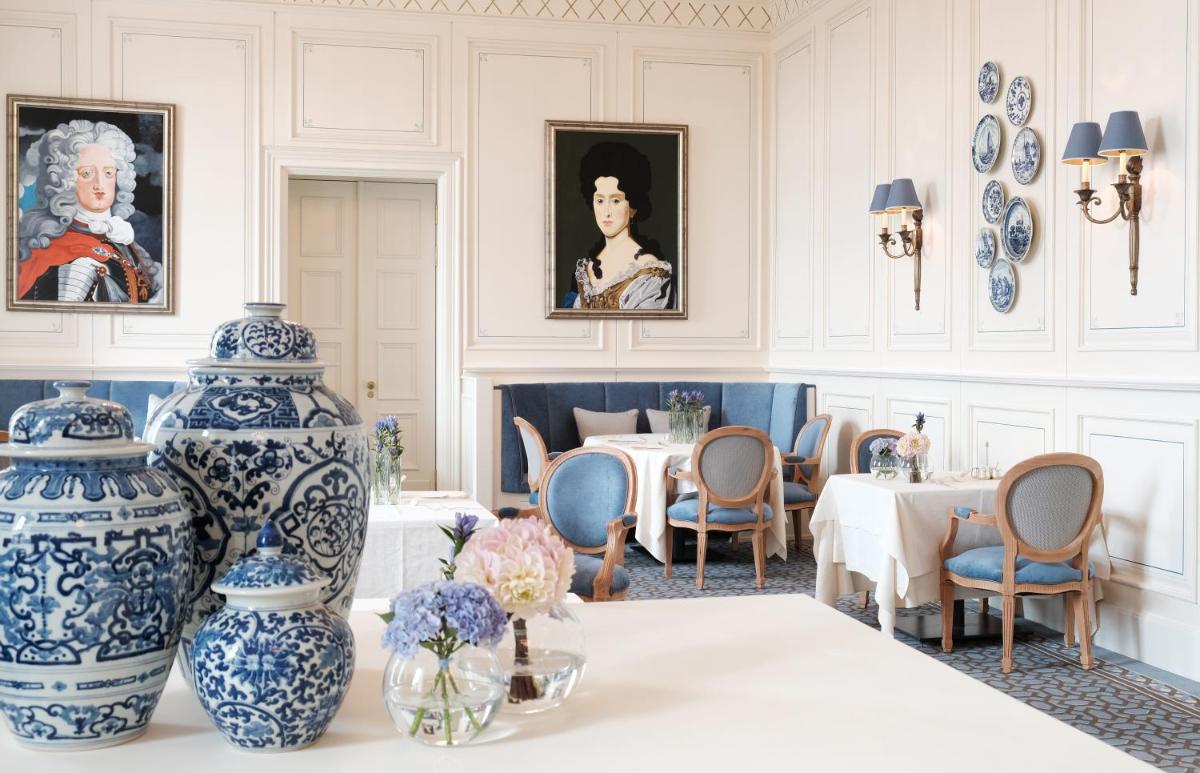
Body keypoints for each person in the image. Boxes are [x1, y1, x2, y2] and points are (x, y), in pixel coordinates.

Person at [17, 119, 162, 304]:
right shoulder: (59, 254)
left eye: (108, 173)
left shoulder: (120, 236)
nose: (99, 184)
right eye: (87, 173)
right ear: (66, 179)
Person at [570, 141, 672, 310]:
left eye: (616, 200)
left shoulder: (649, 269)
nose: (606, 212)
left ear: (632, 207)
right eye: (600, 201)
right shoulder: (586, 268)